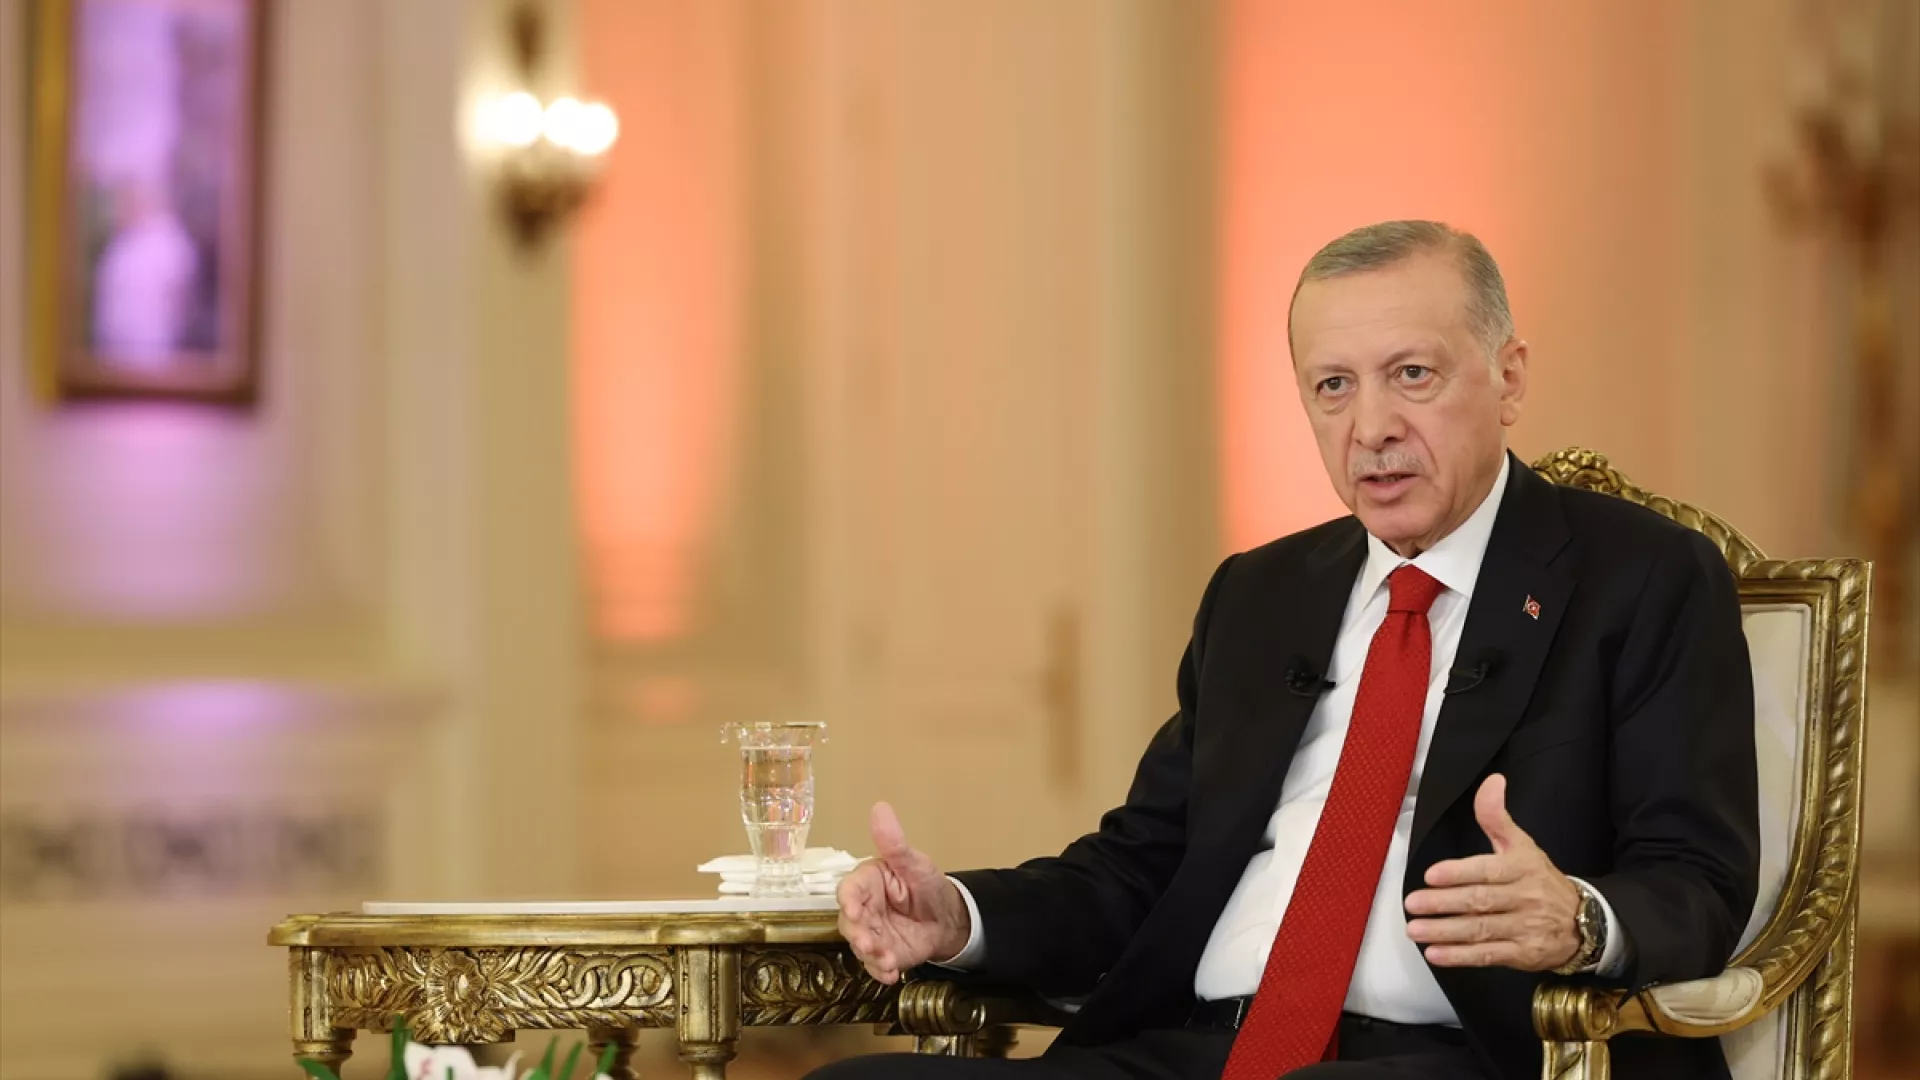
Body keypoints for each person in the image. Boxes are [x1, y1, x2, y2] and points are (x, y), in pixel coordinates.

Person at [811, 221, 1759, 1080]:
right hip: (1196, 1047)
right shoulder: (1261, 592)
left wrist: (1579, 919)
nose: (1371, 428)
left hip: (1467, 1054)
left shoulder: (1643, 577)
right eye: (1333, 386)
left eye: (1412, 375)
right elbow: (1142, 866)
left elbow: (1698, 879)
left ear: (1508, 378)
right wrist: (960, 916)